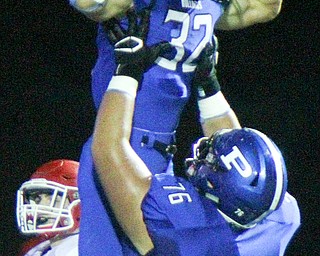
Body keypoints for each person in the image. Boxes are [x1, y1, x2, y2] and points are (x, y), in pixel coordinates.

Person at [69, 0, 283, 254]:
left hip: (120, 141)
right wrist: (209, 88)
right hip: (156, 154)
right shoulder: (279, 217)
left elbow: (107, 148)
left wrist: (126, 72)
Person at [16, 159, 80, 256]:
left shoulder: (88, 248)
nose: (40, 207)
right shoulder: (36, 250)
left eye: (51, 197)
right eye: (37, 199)